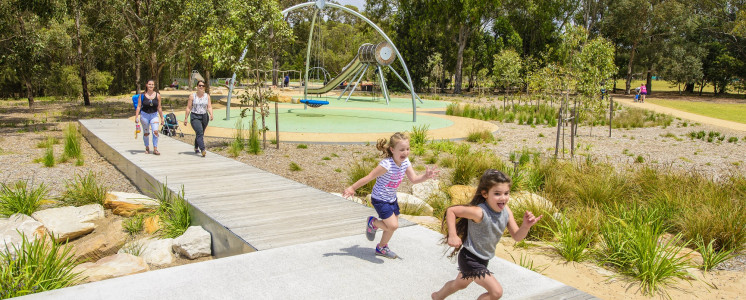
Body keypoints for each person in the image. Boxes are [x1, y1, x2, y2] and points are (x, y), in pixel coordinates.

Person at [432, 169, 542, 300]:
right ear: (485, 194)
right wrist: (452, 235)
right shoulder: (480, 212)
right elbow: (452, 211)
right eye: (497, 194)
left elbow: (517, 237)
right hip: (470, 259)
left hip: (483, 259)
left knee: (459, 284)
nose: (503, 198)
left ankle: (437, 296)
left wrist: (525, 226)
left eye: (506, 193)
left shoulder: (506, 211)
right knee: (496, 292)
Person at [342, 132, 440, 259]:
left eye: (407, 149)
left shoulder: (405, 163)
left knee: (391, 227)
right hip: (380, 199)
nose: (405, 152)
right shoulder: (386, 165)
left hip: (392, 199)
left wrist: (426, 176)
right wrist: (352, 188)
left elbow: (414, 179)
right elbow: (369, 177)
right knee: (393, 225)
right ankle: (373, 223)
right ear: (392, 150)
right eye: (402, 150)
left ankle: (381, 247)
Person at [183, 80, 214, 157]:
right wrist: (186, 118)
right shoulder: (192, 96)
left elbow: (209, 106)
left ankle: (196, 147)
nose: (201, 87)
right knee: (199, 131)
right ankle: (203, 149)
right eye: (199, 85)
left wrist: (211, 114)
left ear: (204, 87)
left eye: (202, 86)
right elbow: (188, 107)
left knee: (200, 133)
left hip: (204, 116)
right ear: (197, 86)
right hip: (195, 116)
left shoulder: (207, 96)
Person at [135, 79, 164, 155]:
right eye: (149, 84)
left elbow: (159, 107)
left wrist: (162, 117)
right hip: (144, 115)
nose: (151, 86)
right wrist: (136, 116)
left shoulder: (157, 95)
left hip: (154, 115)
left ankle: (155, 148)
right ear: (146, 85)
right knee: (146, 133)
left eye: (152, 84)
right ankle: (147, 147)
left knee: (155, 131)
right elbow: (138, 106)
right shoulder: (142, 95)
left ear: (154, 86)